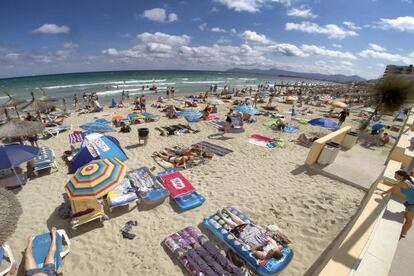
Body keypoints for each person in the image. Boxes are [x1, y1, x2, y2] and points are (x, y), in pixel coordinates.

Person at [217, 209, 283, 261]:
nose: (271, 249)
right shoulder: (275, 246)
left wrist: (262, 244)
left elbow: (253, 250)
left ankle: (221, 216)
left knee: (235, 226)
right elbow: (270, 238)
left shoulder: (263, 255)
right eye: (273, 249)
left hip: (249, 240)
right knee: (241, 222)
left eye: (271, 251)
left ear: (271, 255)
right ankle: (228, 212)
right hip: (256, 234)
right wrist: (268, 239)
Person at [381, 170, 414, 239]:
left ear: (401, 177)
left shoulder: (403, 183)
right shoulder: (406, 181)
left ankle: (403, 234)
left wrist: (382, 193)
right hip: (410, 202)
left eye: (396, 175)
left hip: (412, 204)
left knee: (408, 220)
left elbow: (393, 189)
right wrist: (384, 181)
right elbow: (395, 184)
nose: (394, 176)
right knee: (406, 214)